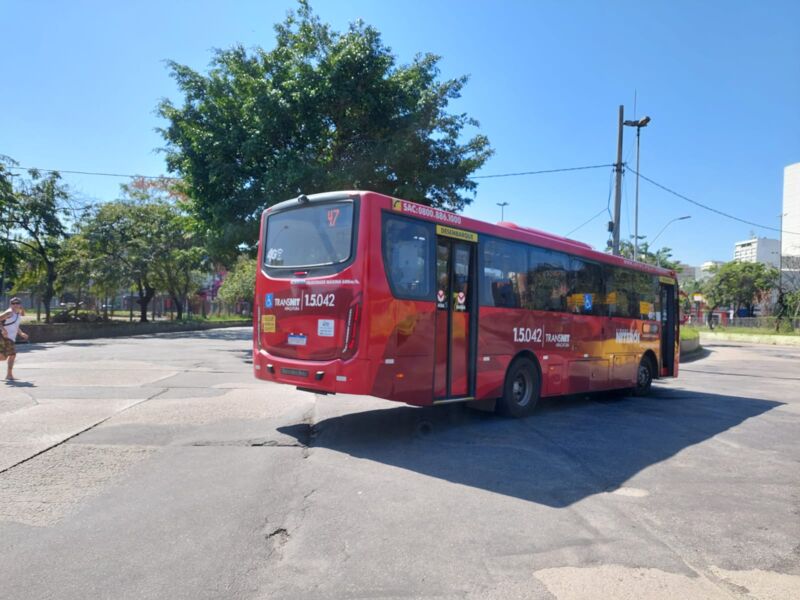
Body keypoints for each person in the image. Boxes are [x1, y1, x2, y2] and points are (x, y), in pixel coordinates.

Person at [0, 297, 29, 381]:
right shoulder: (9, 312)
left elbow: (15, 325)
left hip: (10, 338)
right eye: (13, 303)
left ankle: (9, 375)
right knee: (9, 355)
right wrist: (3, 330)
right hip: (3, 337)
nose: (15, 305)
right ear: (10, 304)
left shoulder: (17, 313)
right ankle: (9, 375)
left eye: (17, 303)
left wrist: (21, 333)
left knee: (6, 357)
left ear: (20, 304)